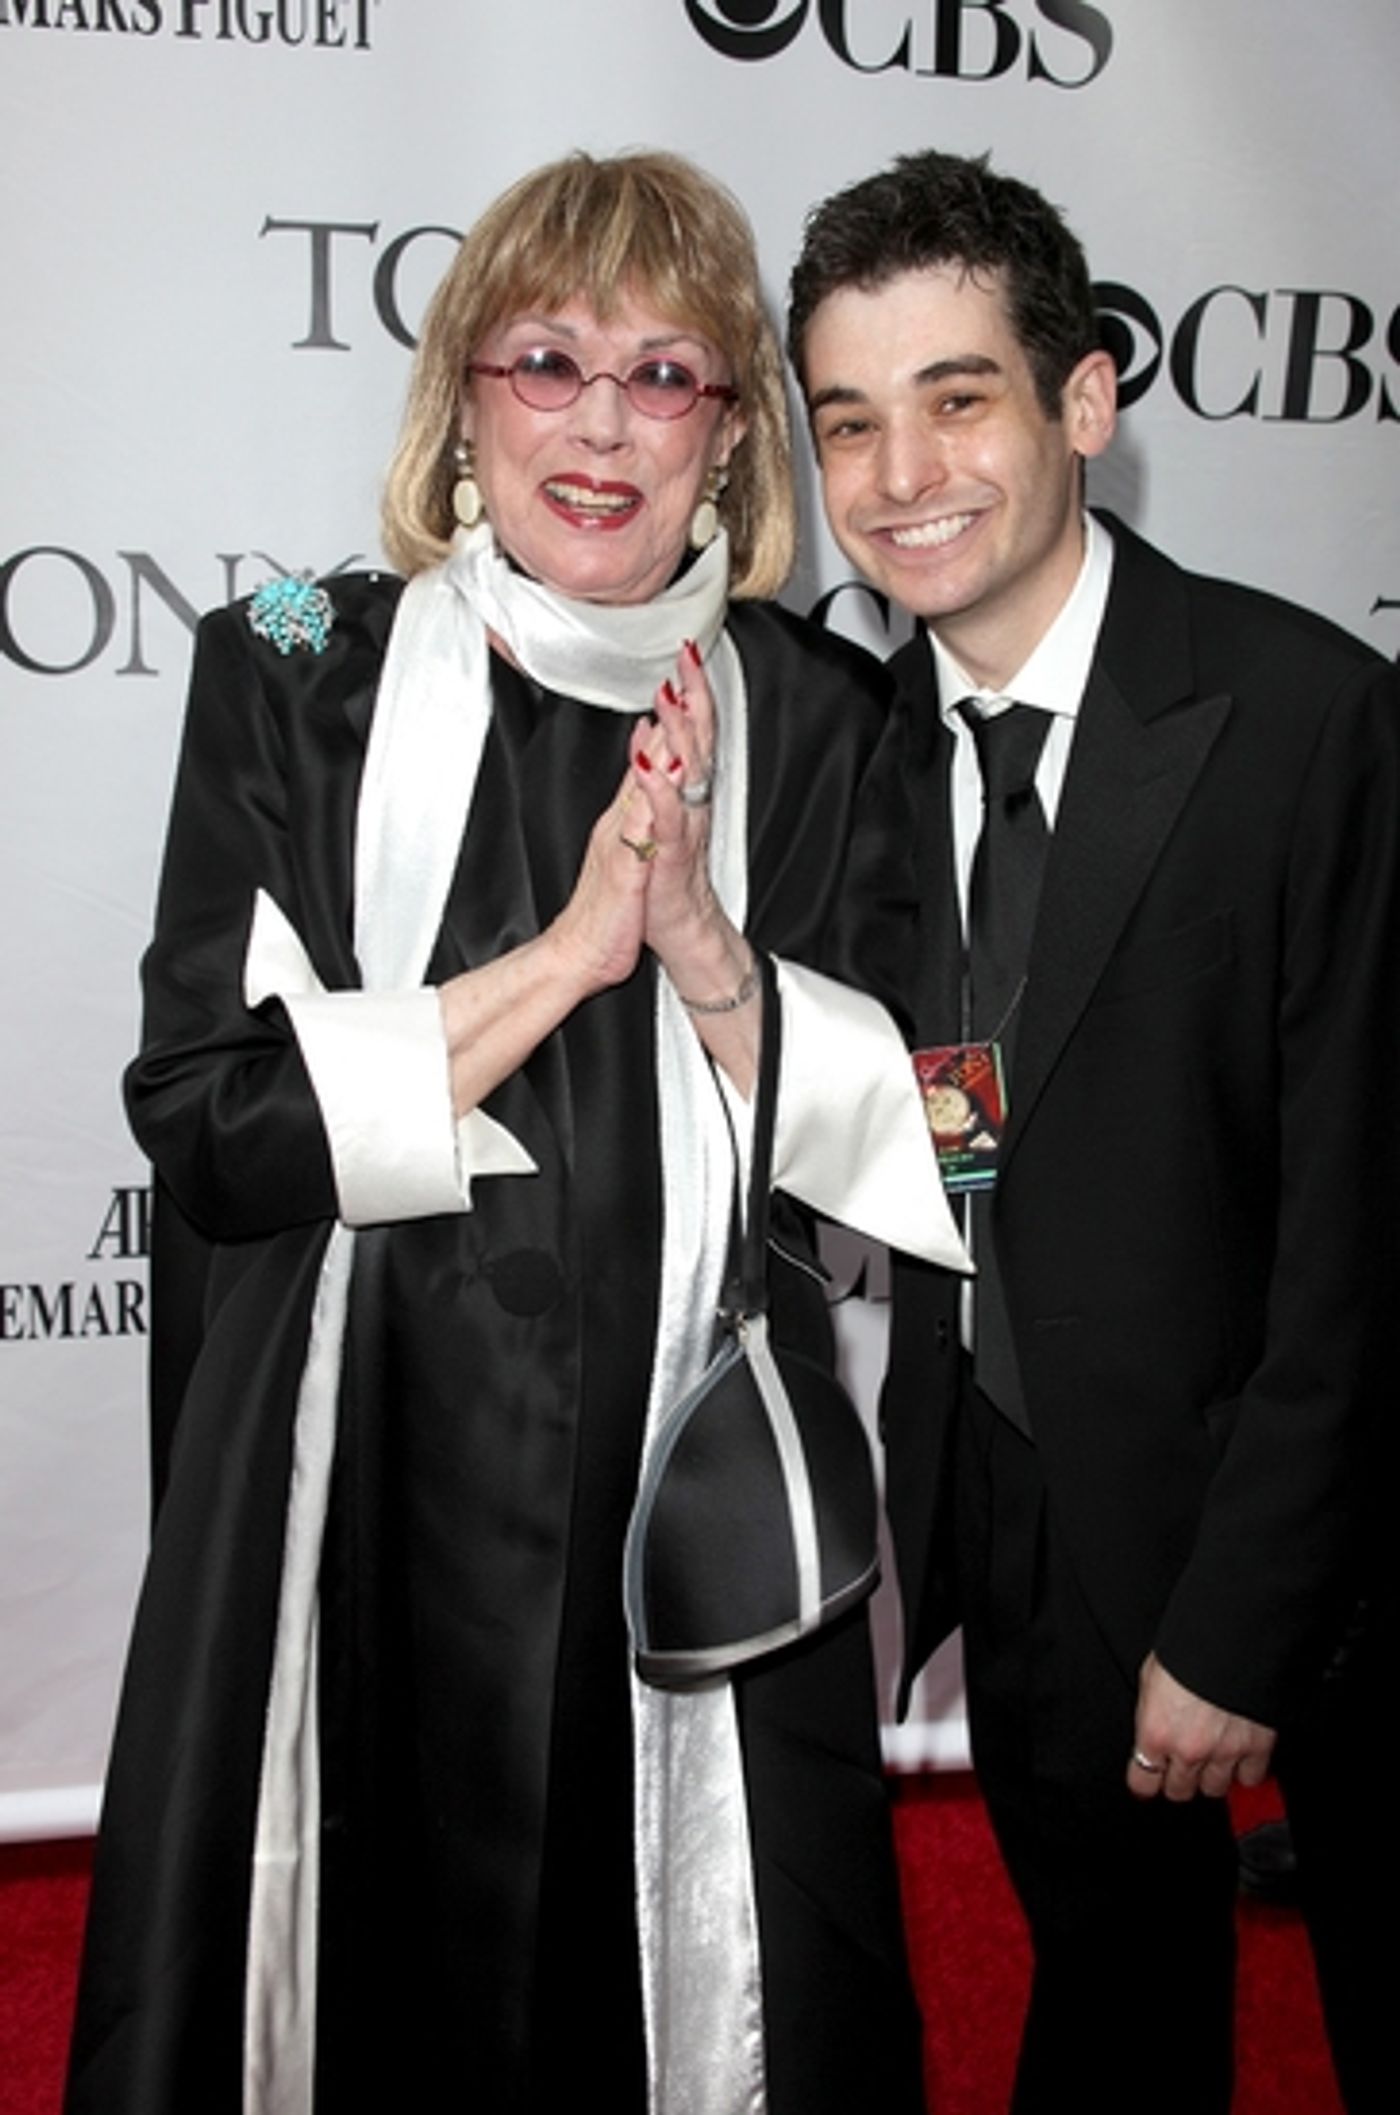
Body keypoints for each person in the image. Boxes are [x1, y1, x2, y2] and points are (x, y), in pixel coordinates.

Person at [65, 151, 967, 2115]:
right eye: (547, 357)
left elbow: (953, 1144)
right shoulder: (288, 661)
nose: (599, 421)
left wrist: (713, 948)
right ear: (462, 398)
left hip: (692, 1506)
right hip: (346, 1496)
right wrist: (571, 955)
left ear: (730, 436)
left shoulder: (832, 712)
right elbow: (210, 1126)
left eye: (666, 373)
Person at [787, 149, 1398, 2113]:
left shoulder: (1310, 720)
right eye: (850, 422)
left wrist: (1238, 1622)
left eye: (957, 397)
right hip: (1033, 1514)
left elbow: (1363, 1233)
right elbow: (949, 1125)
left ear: (1082, 401)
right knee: (1116, 2016)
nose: (900, 475)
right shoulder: (868, 753)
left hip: (1333, 1542)